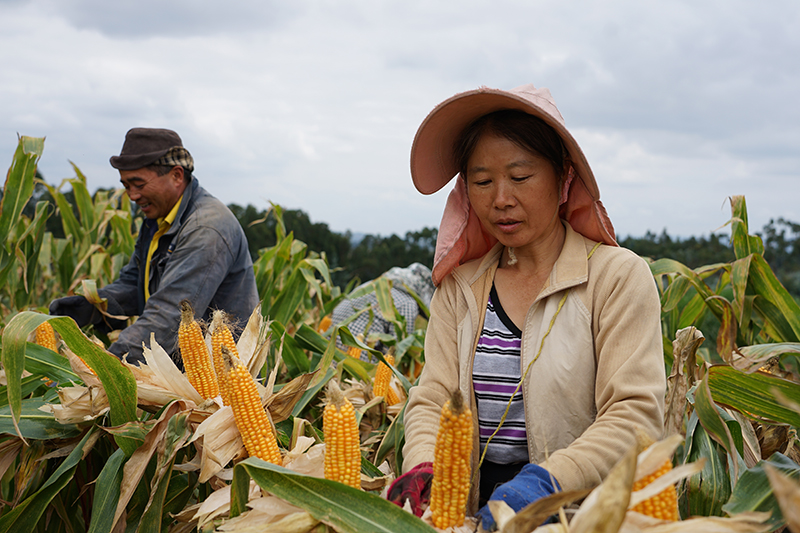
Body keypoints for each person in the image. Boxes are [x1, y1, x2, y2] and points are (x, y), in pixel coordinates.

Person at [389, 84, 666, 529]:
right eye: (482, 182)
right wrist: (424, 464)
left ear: (563, 178)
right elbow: (434, 398)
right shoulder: (461, 287)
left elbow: (634, 414)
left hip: (580, 512)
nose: (500, 198)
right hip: (470, 515)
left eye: (520, 177)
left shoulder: (616, 279)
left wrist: (544, 483)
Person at [49, 128, 259, 366]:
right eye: (126, 185)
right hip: (182, 373)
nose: (132, 195)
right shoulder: (158, 222)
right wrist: (92, 306)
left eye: (138, 184)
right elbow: (133, 283)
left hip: (222, 379)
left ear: (177, 175)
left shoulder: (206, 228)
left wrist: (104, 367)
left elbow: (170, 316)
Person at [330, 262, 434, 361]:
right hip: (355, 359)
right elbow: (396, 350)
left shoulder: (372, 284)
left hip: (328, 349)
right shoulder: (408, 303)